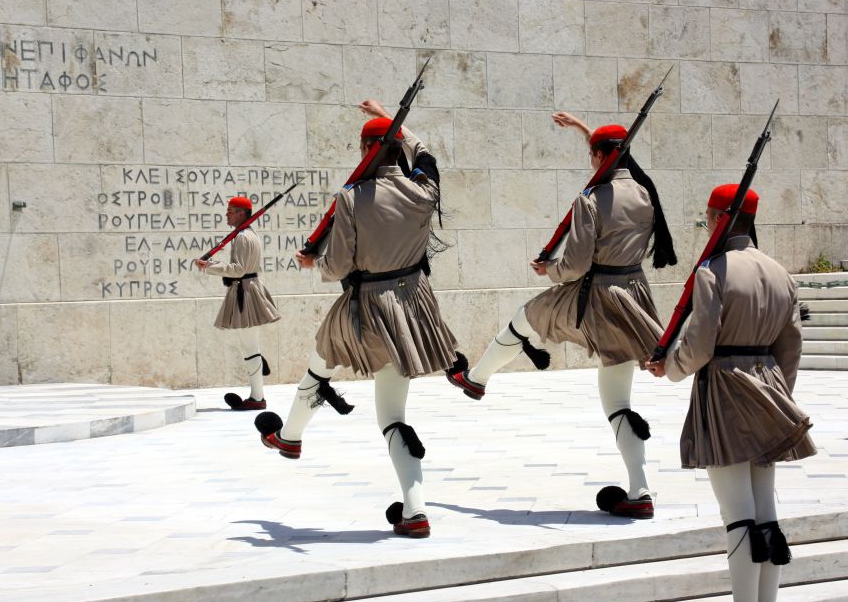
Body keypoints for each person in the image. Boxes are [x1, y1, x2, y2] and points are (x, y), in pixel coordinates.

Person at [448, 111, 677, 519]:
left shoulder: (590, 200)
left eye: (591, 154)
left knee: (524, 316)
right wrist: (582, 130)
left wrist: (547, 270)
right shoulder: (645, 193)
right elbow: (612, 158)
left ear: (597, 157)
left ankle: (478, 379)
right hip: (635, 296)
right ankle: (640, 490)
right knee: (617, 400)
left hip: (596, 297)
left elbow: (574, 265)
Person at [254, 99, 460, 539]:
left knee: (320, 361)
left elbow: (338, 266)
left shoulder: (351, 198)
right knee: (393, 414)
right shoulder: (425, 189)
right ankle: (416, 510)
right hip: (415, 305)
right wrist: (395, 123)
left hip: (367, 305)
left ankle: (290, 436)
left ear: (367, 148)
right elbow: (426, 155)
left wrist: (314, 262)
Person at [645, 184, 816, 602]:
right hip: (769, 387)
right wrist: (779, 394)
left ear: (721, 218)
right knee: (766, 512)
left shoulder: (713, 271)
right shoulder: (779, 272)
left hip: (723, 389)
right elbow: (791, 347)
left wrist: (673, 368)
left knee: (737, 515)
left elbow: (699, 345)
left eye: (707, 218)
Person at [195, 197, 280, 410]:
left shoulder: (242, 237)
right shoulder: (249, 235)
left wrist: (209, 266)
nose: (227, 215)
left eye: (231, 211)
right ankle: (257, 383)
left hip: (246, 292)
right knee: (248, 344)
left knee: (249, 346)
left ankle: (257, 398)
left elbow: (238, 269)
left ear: (241, 214)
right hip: (248, 289)